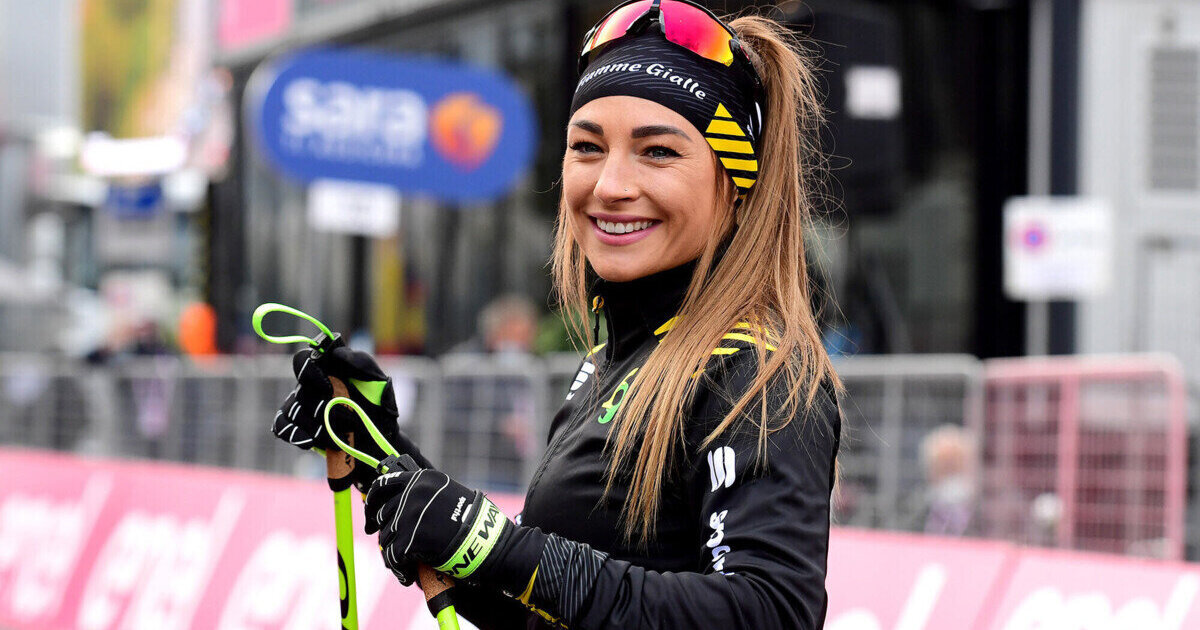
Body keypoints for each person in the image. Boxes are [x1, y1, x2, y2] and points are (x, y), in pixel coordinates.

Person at [271, 2, 842, 628]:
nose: (610, 185)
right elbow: (542, 611)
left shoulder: (756, 370)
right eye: (587, 147)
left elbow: (772, 612)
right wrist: (380, 451)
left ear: (735, 187)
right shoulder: (615, 358)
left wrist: (499, 547)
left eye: (658, 152)